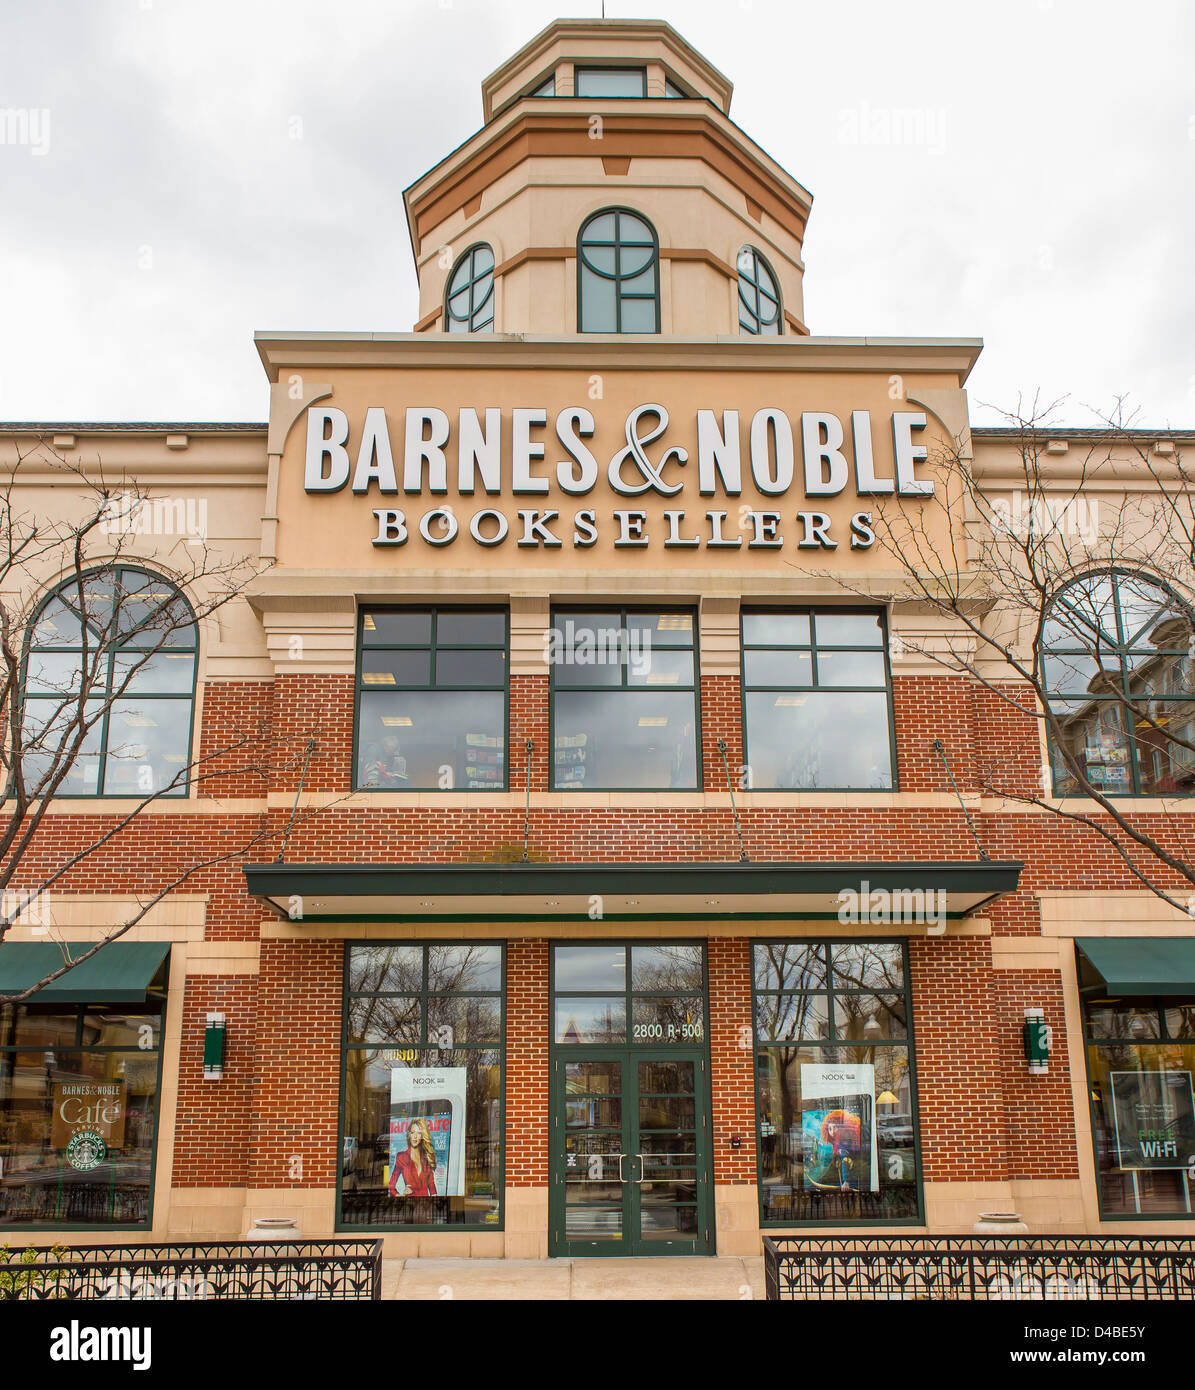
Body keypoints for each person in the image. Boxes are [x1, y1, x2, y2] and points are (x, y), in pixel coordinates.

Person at [389, 1116, 439, 1197]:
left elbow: (431, 1185)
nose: (415, 1137)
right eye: (412, 1132)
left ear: (422, 1136)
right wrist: (399, 1195)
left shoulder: (427, 1157)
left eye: (419, 1133)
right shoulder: (401, 1157)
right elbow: (391, 1186)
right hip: (410, 1203)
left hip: (425, 1204)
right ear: (409, 1134)